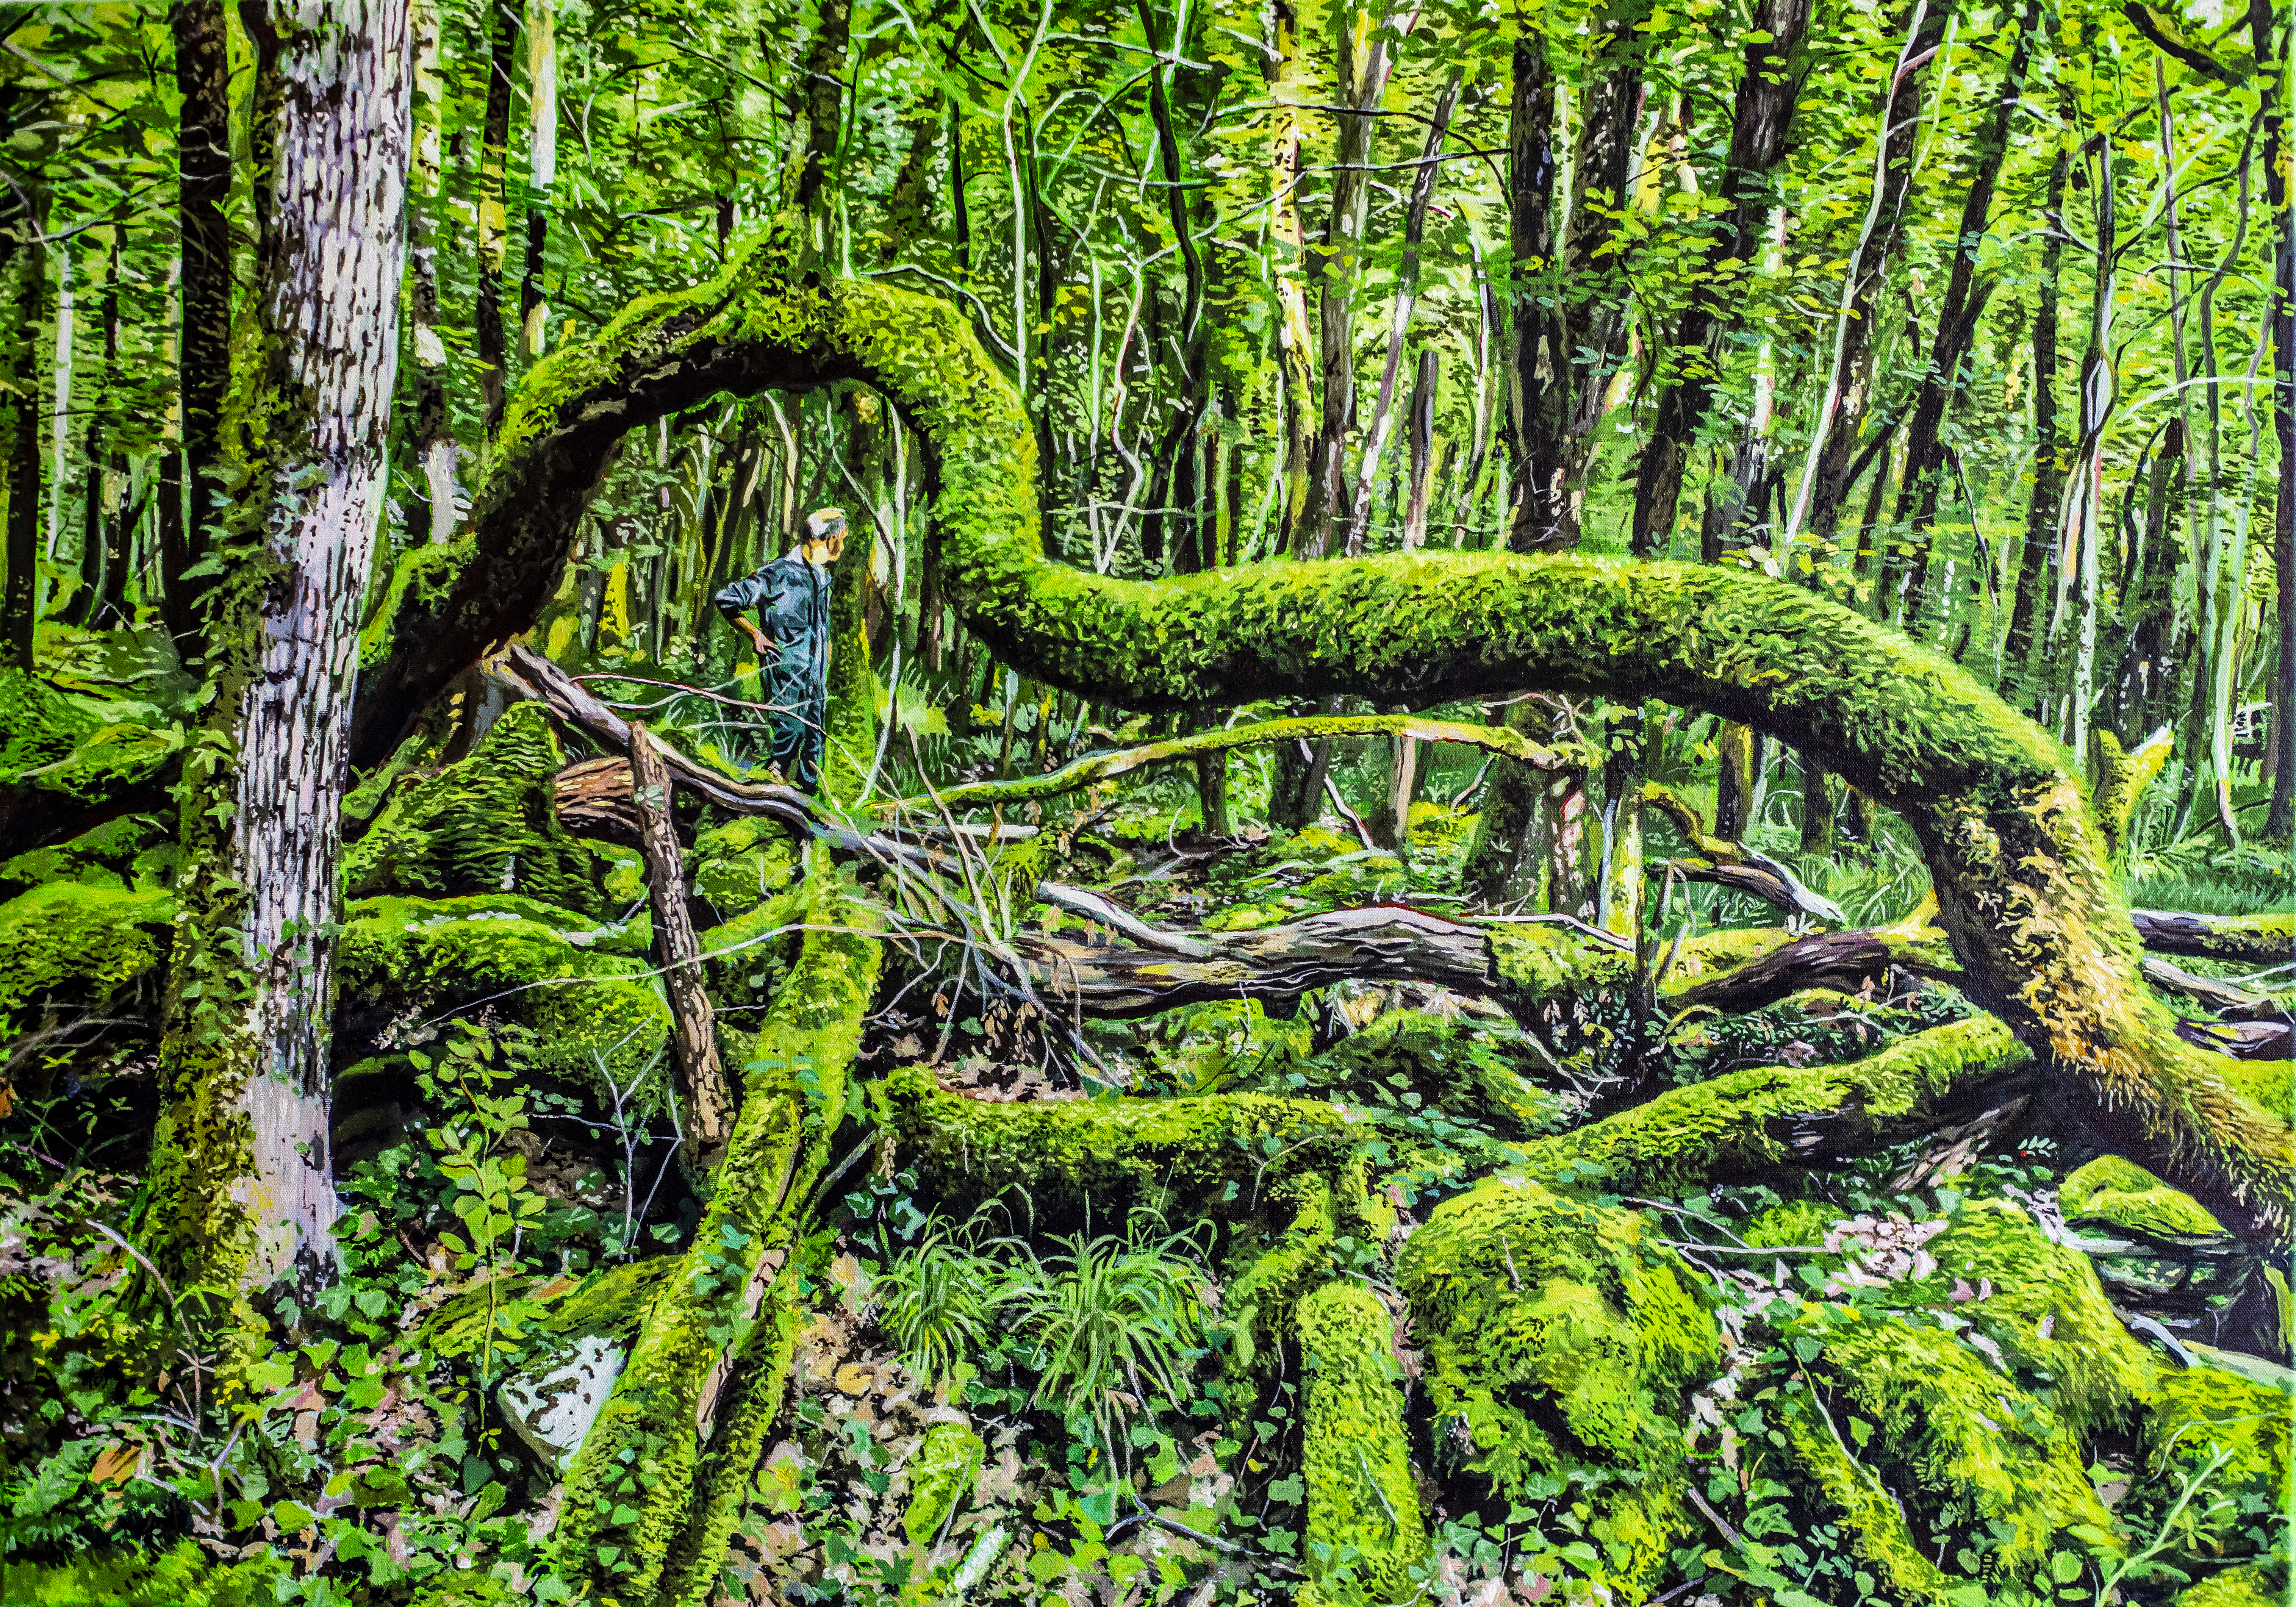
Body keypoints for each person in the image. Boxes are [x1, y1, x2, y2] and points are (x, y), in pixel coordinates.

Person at [715, 507, 847, 790]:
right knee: (788, 737)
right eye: (840, 540)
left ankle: (813, 815)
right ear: (824, 539)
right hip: (785, 675)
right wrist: (756, 634)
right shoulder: (778, 575)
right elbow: (727, 599)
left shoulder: (823, 578)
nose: (842, 547)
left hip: (816, 681)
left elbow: (821, 628)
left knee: (814, 745)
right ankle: (765, 801)